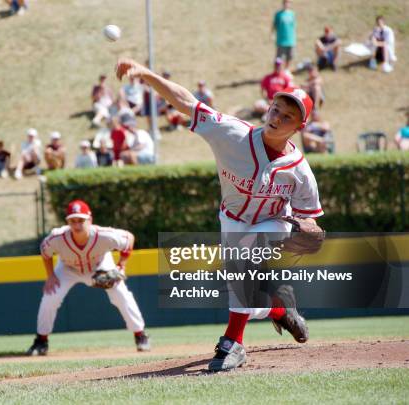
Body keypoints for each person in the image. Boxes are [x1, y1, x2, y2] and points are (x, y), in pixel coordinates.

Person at [116, 58, 322, 371]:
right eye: (276, 109)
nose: (278, 117)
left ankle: (233, 344)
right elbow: (187, 101)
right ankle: (280, 310)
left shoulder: (301, 172)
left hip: (275, 222)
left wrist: (308, 233)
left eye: (288, 116)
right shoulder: (231, 132)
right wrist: (146, 74)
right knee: (243, 293)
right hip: (233, 218)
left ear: (299, 126)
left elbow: (311, 221)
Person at [26, 199, 150, 355]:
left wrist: (121, 264)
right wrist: (50, 276)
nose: (77, 225)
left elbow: (129, 238)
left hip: (100, 265)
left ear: (89, 220)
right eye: (73, 220)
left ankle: (140, 335)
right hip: (67, 269)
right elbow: (45, 252)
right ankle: (41, 341)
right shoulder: (57, 237)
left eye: (81, 220)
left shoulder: (104, 235)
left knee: (120, 294)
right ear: (67, 222)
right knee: (51, 296)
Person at [271, 0, 296, 70]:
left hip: (290, 40)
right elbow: (274, 25)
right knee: (279, 58)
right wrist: (272, 34)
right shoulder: (278, 14)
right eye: (285, 2)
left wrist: (293, 38)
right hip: (281, 40)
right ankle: (277, 71)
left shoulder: (292, 14)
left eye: (288, 3)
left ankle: (286, 70)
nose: (286, 4)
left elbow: (293, 26)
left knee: (290, 56)